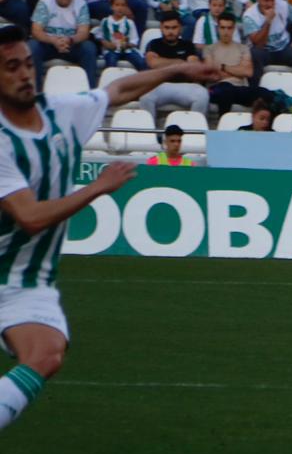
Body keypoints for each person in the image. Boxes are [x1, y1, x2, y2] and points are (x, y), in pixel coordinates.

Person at [0, 30, 222, 433]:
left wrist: (183, 70)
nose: (24, 74)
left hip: (25, 283)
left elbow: (118, 89)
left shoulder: (60, 111)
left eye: (28, 64)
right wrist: (97, 187)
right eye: (11, 67)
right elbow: (29, 216)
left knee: (47, 353)